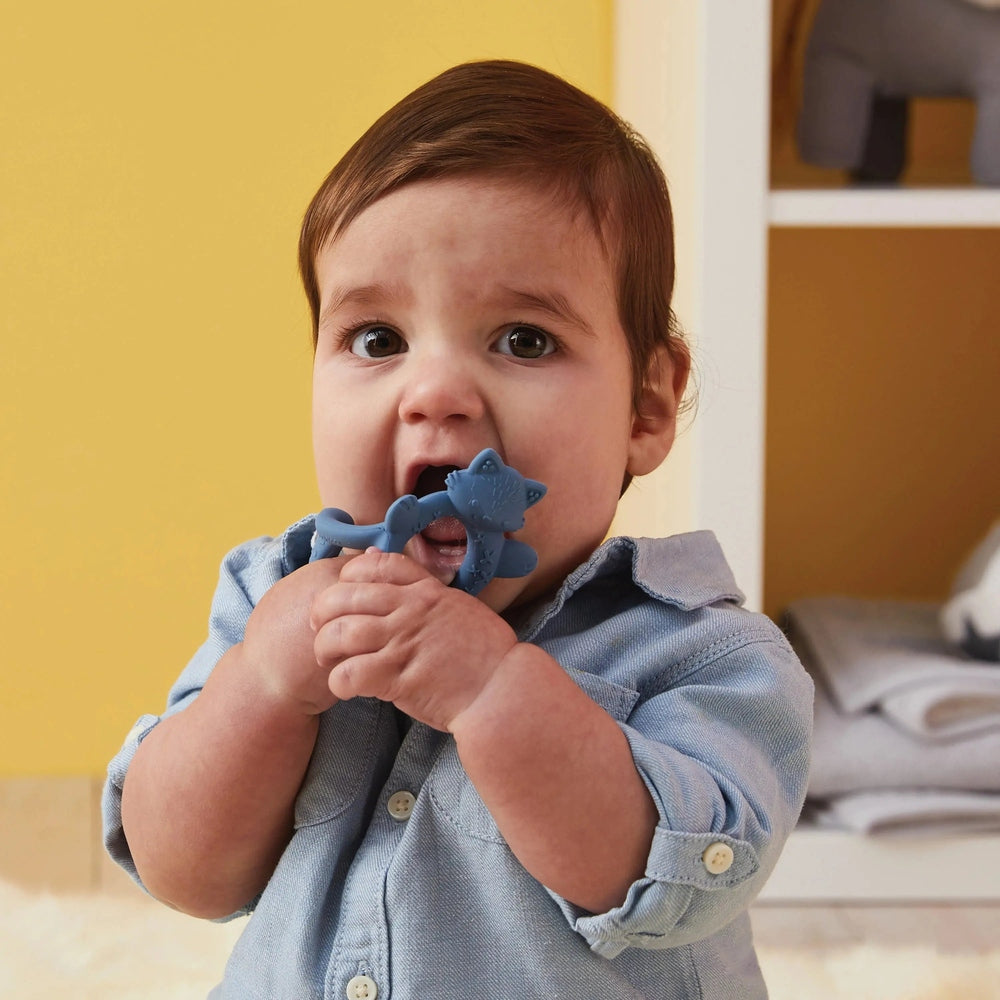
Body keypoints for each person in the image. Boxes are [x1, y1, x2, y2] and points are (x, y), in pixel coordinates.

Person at [103, 60, 813, 999]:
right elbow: (183, 872)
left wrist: (490, 691)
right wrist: (265, 685)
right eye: (377, 340)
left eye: (524, 339)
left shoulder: (703, 655)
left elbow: (665, 884)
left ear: (645, 406)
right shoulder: (273, 599)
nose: (433, 392)